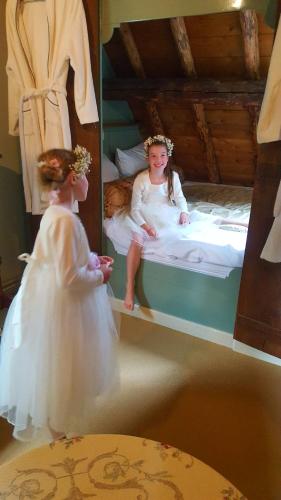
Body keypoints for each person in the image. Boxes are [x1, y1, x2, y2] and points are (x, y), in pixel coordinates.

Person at [0, 146, 119, 441]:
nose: (89, 183)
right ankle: (59, 434)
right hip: (65, 305)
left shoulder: (55, 213)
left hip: (49, 296)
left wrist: (91, 259)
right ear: (74, 179)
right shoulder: (64, 220)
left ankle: (57, 432)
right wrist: (100, 275)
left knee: (56, 369)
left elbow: (63, 259)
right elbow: (68, 277)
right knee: (64, 368)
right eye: (87, 177)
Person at [123, 135, 189, 310]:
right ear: (147, 158)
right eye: (153, 156)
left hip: (165, 213)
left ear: (168, 157)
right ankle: (129, 287)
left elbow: (180, 198)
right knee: (137, 240)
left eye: (162, 155)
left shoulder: (172, 177)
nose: (158, 160)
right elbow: (134, 209)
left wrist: (184, 212)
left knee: (183, 229)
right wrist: (145, 226)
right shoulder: (141, 179)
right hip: (144, 214)